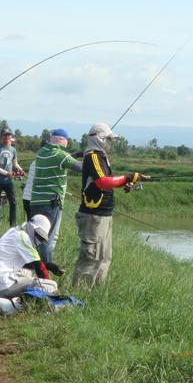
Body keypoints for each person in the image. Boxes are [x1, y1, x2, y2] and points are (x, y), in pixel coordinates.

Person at [72, 123, 148, 287]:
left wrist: (124, 183)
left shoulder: (101, 156)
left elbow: (108, 180)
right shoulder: (93, 156)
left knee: (104, 258)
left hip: (104, 214)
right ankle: (80, 295)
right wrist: (127, 177)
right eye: (108, 139)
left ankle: (95, 295)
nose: (110, 143)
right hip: (94, 215)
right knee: (90, 259)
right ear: (100, 139)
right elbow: (102, 182)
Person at [0, 214, 64, 314]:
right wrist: (49, 293)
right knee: (51, 285)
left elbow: (30, 266)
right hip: (2, 285)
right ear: (30, 227)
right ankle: (13, 305)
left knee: (31, 274)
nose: (39, 240)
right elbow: (40, 269)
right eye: (38, 235)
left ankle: (12, 300)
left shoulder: (15, 232)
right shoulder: (23, 238)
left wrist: (48, 265)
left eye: (41, 239)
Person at [29, 128, 82, 264]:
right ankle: (45, 274)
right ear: (64, 142)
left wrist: (73, 155)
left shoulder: (41, 152)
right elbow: (82, 168)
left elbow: (60, 157)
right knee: (48, 240)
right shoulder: (60, 156)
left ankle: (35, 270)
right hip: (51, 203)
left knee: (37, 238)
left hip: (36, 201)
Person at [0, 128, 24, 229]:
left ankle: (12, 226)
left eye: (9, 135)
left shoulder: (13, 150)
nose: (7, 137)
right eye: (5, 135)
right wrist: (5, 173)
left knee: (13, 203)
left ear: (11, 137)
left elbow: (15, 163)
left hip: (8, 181)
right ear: (1, 137)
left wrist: (21, 170)